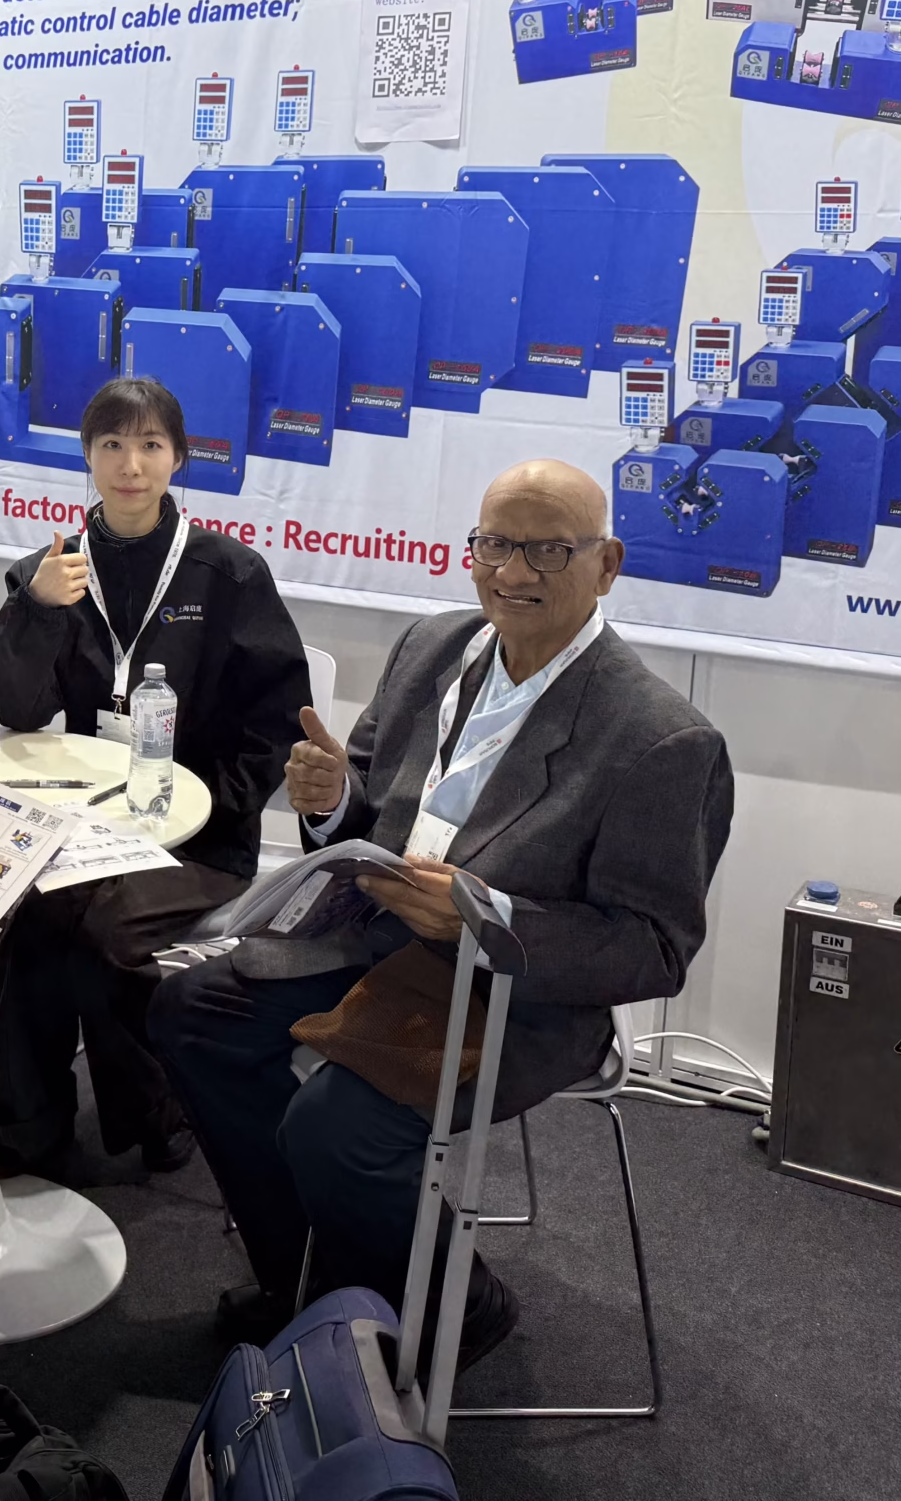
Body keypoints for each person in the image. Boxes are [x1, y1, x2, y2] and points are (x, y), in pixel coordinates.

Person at [151, 458, 732, 1363]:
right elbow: (368, 799)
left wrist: (482, 917)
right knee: (192, 1013)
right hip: (377, 935)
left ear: (607, 564)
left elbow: (652, 949)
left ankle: (460, 1304)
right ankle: (310, 1277)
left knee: (334, 1127)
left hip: (517, 991)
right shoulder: (434, 647)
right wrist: (330, 802)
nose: (513, 572)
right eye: (495, 545)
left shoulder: (660, 738)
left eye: (548, 551)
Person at [0, 376, 312, 1174]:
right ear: (87, 455)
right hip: (90, 824)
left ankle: (158, 1113)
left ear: (178, 457)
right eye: (112, 445)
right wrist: (37, 610)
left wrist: (209, 810)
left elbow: (278, 718)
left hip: (200, 839)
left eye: (151, 445)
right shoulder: (52, 570)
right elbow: (18, 709)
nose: (131, 465)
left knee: (108, 933)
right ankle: (26, 1130)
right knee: (26, 916)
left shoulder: (228, 573)